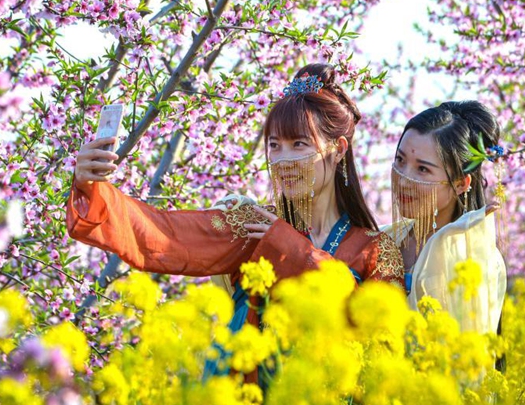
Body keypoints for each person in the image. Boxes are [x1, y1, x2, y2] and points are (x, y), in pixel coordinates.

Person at [66, 63, 404, 380]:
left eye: (299, 144)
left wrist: (290, 248)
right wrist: (92, 188)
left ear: (338, 148)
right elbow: (163, 234)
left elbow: (383, 341)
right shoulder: (254, 224)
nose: (283, 160)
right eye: (275, 145)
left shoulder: (377, 248)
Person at [386, 100, 507, 336]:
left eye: (423, 169)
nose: (403, 179)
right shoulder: (382, 238)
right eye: (400, 160)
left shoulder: (473, 260)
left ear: (461, 184)